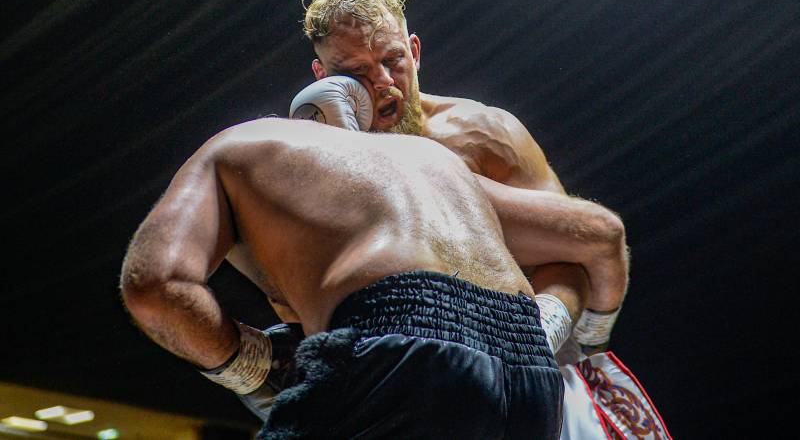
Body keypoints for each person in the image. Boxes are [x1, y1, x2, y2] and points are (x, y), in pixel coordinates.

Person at [290, 0, 672, 438]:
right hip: (396, 381)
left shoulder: (482, 135)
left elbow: (571, 254)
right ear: (321, 77)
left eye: (393, 60)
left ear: (414, 50)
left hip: (531, 378)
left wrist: (536, 337)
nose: (384, 82)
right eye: (356, 73)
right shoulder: (309, 168)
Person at [120, 117, 629, 439]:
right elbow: (601, 233)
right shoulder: (435, 161)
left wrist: (248, 365)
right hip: (532, 378)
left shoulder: (239, 144)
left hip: (399, 343)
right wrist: (570, 334)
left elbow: (153, 286)